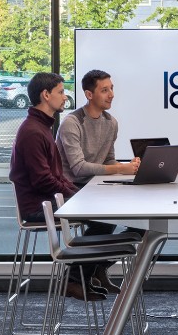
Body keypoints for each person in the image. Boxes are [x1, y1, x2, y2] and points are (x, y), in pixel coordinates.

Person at [9, 72, 112, 301]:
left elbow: (55, 176)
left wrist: (76, 195)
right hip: (39, 207)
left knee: (105, 217)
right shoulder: (33, 132)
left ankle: (84, 275)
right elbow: (43, 180)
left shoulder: (42, 127)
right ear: (46, 95)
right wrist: (76, 197)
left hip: (48, 201)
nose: (65, 97)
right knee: (104, 219)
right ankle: (76, 278)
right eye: (60, 92)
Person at [57, 69, 141, 186]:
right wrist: (120, 169)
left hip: (97, 184)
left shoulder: (111, 123)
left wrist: (128, 166)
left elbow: (108, 160)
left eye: (111, 88)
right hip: (72, 189)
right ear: (89, 95)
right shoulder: (71, 123)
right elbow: (79, 168)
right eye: (104, 90)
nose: (111, 94)